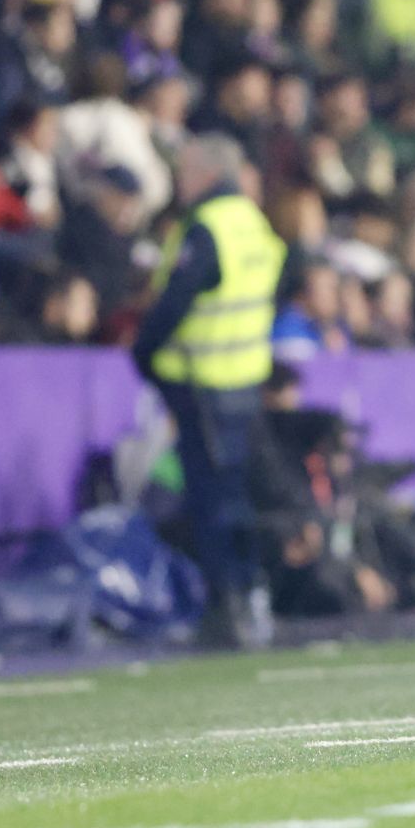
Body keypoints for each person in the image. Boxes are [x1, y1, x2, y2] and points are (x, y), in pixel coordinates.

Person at [129, 134, 288, 649]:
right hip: (244, 377)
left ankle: (227, 606)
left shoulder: (208, 226)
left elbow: (177, 297)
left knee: (211, 498)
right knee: (236, 492)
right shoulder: (253, 223)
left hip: (203, 380)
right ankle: (249, 594)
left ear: (201, 171)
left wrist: (145, 351)